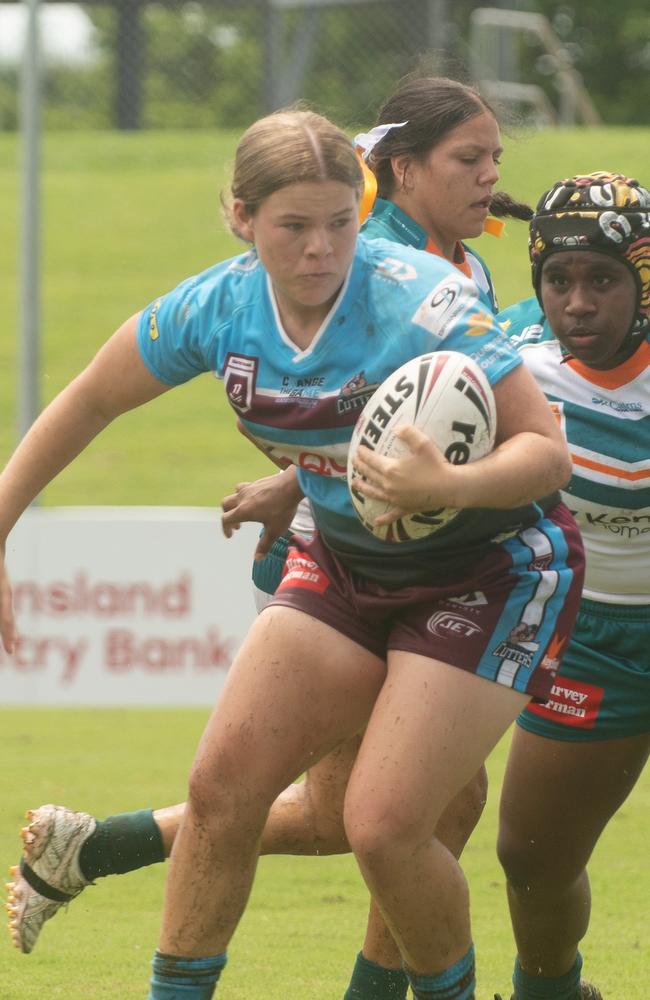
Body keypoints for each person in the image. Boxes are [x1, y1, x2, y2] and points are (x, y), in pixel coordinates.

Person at [1, 106, 582, 1000]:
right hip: (348, 565)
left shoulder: (417, 297)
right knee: (223, 790)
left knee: (384, 825)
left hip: (491, 570)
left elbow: (544, 450)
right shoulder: (216, 307)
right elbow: (88, 400)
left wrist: (447, 488)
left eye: (341, 222)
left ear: (364, 207)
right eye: (293, 227)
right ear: (240, 217)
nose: (321, 249)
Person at [490, 170, 650, 1000]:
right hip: (592, 637)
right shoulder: (508, 355)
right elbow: (408, 410)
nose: (577, 302)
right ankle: (550, 992)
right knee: (531, 856)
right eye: (558, 279)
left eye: (603, 279)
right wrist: (293, 487)